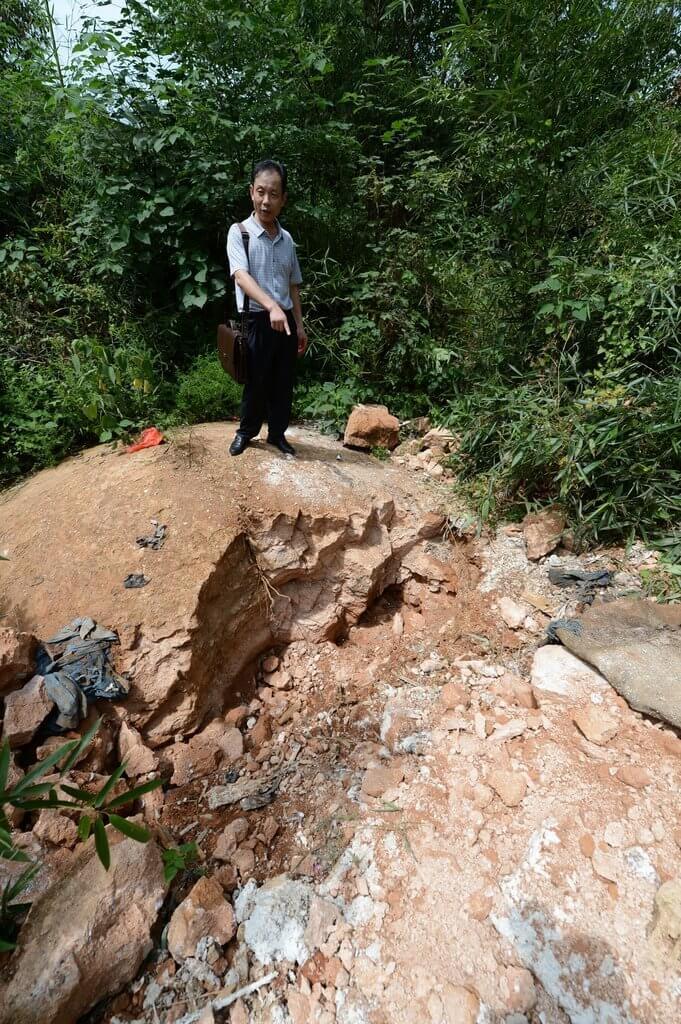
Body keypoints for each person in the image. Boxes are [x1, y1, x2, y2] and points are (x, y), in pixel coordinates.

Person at [226, 159, 308, 457]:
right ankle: (246, 432)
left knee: (283, 382)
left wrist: (298, 324)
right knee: (256, 381)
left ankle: (276, 434)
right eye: (261, 192)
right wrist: (270, 305)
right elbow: (241, 276)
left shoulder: (287, 240)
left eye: (274, 194)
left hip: (284, 319)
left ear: (283, 199)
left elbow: (293, 285)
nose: (266, 201)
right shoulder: (240, 232)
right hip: (256, 319)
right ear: (251, 192)